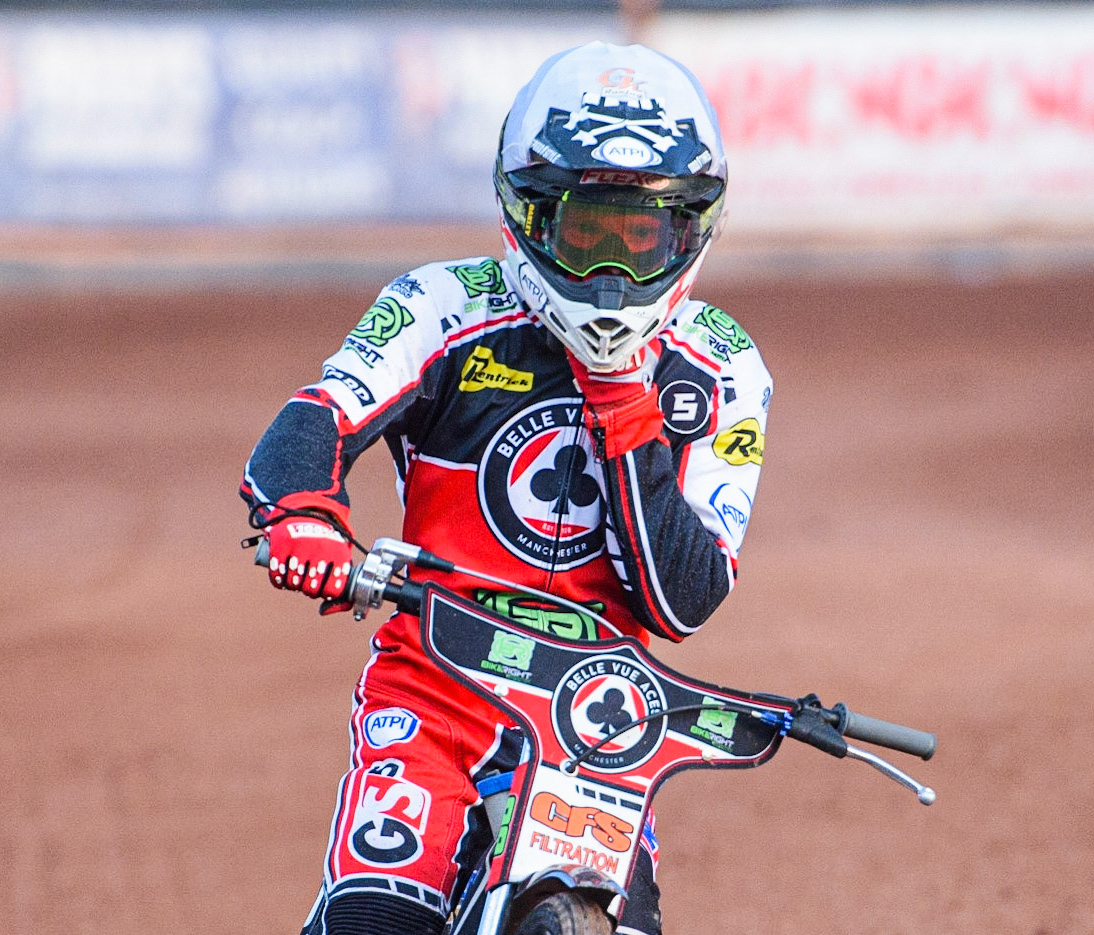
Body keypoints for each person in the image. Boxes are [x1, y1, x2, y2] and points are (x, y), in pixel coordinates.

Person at [241, 41, 772, 935]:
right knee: (375, 920)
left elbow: (683, 598)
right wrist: (305, 516)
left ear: (689, 228)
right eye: (586, 230)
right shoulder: (442, 305)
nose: (612, 274)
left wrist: (619, 395)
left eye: (641, 237)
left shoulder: (722, 366)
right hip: (435, 689)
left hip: (601, 719)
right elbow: (315, 419)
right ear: (527, 215)